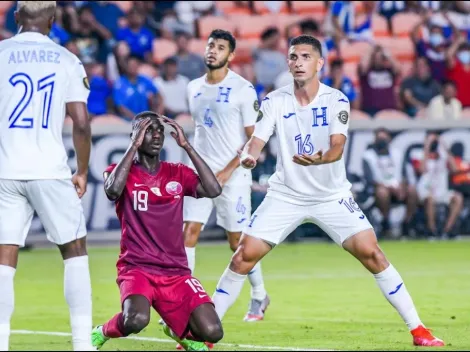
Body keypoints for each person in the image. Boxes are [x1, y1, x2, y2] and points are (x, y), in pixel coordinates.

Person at [211, 35, 445, 347]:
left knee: (373, 254)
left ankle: (419, 330)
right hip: (286, 195)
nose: (298, 62)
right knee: (242, 257)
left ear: (319, 63)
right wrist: (251, 154)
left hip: (331, 196)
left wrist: (321, 159)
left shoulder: (336, 100)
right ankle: (204, 334)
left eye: (305, 57)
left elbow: (337, 148)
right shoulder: (274, 101)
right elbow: (257, 138)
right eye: (293, 57)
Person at [0, 1, 93, 351]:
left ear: (16, 17)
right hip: (50, 170)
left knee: (4, 258)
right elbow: (81, 123)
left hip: (5, 170)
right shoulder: (67, 59)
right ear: (53, 21)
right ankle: (82, 345)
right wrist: (82, 170)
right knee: (74, 250)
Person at [91, 112, 224, 352]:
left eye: (159, 131)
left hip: (175, 271)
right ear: (135, 135)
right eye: (148, 130)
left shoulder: (177, 173)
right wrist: (132, 145)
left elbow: (213, 189)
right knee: (136, 320)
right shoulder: (119, 170)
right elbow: (112, 191)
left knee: (213, 332)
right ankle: (101, 332)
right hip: (137, 268)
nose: (156, 135)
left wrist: (188, 146)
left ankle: (175, 330)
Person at [183, 29, 270, 323]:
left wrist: (225, 171)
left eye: (220, 47)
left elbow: (253, 139)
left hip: (231, 177)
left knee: (237, 243)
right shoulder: (193, 87)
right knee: (188, 233)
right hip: (200, 175)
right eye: (210, 45)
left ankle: (259, 294)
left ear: (231, 55)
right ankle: (185, 302)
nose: (213, 51)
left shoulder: (243, 89)